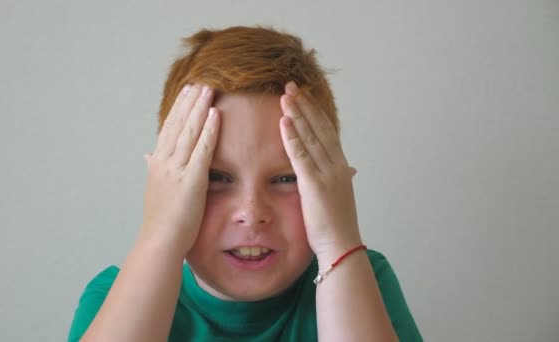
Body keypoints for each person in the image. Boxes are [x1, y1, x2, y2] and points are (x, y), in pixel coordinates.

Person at [68, 26, 422, 341]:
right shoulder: (111, 296)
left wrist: (337, 242)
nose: (251, 214)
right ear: (165, 187)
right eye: (216, 178)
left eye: (286, 179)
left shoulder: (363, 279)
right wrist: (160, 235)